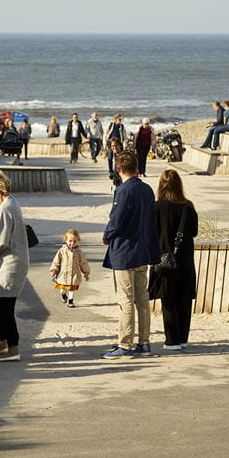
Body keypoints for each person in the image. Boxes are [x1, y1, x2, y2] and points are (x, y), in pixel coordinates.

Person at [101, 152, 161, 359]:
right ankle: (144, 341)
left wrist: (107, 236)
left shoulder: (123, 190)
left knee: (126, 299)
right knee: (142, 298)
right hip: (142, 250)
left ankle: (125, 344)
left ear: (119, 169)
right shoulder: (146, 189)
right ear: (136, 167)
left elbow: (116, 220)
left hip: (125, 251)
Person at [0, 170, 30, 362]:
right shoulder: (12, 203)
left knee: (4, 307)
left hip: (11, 264)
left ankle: (13, 348)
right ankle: (1, 343)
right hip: (12, 262)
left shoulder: (4, 208)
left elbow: (0, 241)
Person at [148, 170, 199, 350]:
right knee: (184, 300)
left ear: (161, 185)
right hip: (185, 259)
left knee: (168, 299)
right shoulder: (188, 207)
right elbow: (193, 232)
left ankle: (172, 340)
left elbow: (151, 233)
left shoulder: (156, 207)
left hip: (163, 259)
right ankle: (183, 338)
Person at [49, 229, 91, 308]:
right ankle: (63, 294)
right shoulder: (62, 251)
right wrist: (53, 270)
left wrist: (86, 273)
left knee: (72, 289)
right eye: (70, 241)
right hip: (63, 274)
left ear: (78, 240)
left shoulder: (79, 252)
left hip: (74, 274)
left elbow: (83, 263)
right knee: (63, 289)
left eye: (75, 241)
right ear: (66, 240)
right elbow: (56, 262)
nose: (72, 243)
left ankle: (70, 301)